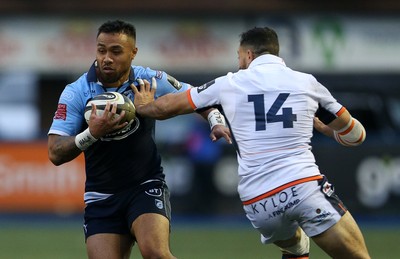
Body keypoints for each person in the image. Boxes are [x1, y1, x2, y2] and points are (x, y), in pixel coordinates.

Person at [132, 27, 371, 259]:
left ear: (248, 55)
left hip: (259, 202)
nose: (238, 64)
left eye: (238, 57)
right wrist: (328, 130)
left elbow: (168, 107)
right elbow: (356, 135)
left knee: (296, 247)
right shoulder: (307, 82)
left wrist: (143, 106)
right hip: (304, 186)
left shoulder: (229, 82)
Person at [47, 20, 230, 259]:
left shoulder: (149, 80)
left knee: (155, 253)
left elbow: (197, 96)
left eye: (116, 51)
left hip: (145, 185)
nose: (107, 58)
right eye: (101, 50)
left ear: (133, 53)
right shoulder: (76, 92)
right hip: (101, 195)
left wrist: (216, 120)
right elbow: (55, 152)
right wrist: (91, 133)